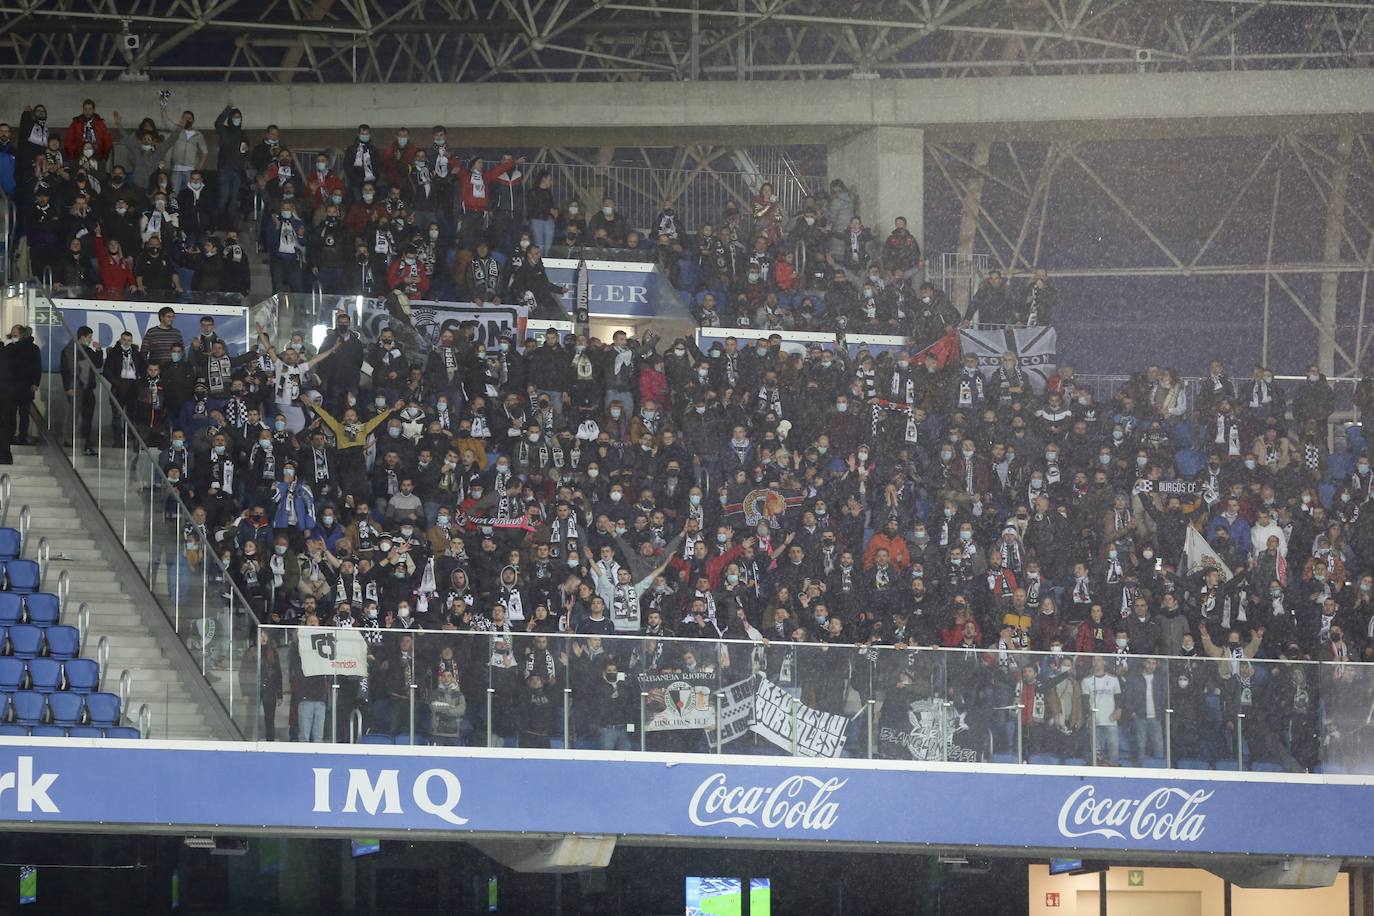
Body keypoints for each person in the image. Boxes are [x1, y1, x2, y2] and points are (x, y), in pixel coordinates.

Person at [60, 325, 103, 456]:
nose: (90, 340)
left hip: (88, 388)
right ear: (83, 337)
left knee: (87, 417)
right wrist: (68, 387)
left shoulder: (88, 351)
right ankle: (68, 439)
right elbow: (65, 370)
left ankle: (87, 443)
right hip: (76, 387)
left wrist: (99, 351)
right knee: (73, 415)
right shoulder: (69, 350)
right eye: (89, 337)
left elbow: (98, 364)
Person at [5, 326, 41, 447]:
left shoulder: (32, 348)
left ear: (21, 334)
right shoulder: (10, 348)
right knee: (11, 413)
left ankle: (22, 436)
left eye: (15, 334)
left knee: (23, 413)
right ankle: (12, 436)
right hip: (12, 385)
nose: (13, 336)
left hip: (25, 385)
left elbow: (37, 366)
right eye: (12, 334)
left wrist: (36, 383)